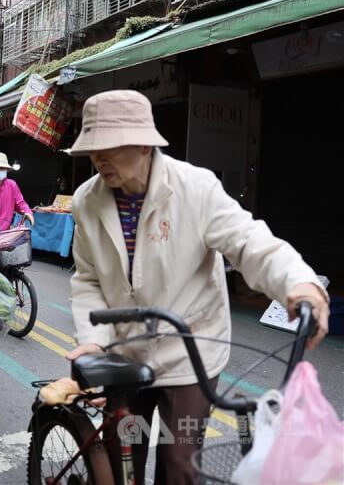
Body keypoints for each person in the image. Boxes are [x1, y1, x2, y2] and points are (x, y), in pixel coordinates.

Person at [64, 90, 329, 485]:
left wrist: (299, 282)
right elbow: (87, 277)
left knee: (182, 465)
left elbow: (250, 242)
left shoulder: (195, 188)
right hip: (124, 350)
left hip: (190, 350)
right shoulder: (87, 200)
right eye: (93, 149)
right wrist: (93, 340)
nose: (99, 159)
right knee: (124, 460)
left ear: (142, 143)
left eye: (110, 148)